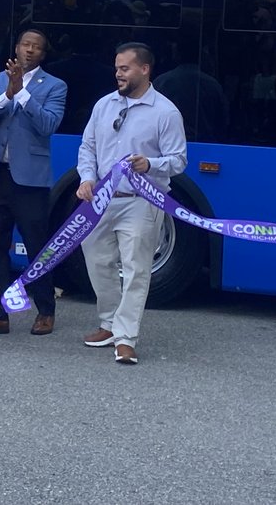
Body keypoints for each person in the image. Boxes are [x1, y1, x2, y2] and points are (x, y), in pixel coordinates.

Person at [76, 42, 188, 365]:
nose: (118, 74)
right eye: (116, 68)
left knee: (137, 268)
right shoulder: (104, 106)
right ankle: (109, 323)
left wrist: (149, 165)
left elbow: (179, 160)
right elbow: (88, 148)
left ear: (144, 69)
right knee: (97, 260)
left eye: (124, 68)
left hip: (142, 201)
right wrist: (86, 179)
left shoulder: (165, 112)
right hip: (102, 200)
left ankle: (126, 338)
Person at [0, 28, 68, 338]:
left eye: (36, 47)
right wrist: (8, 93)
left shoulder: (55, 85)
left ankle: (45, 309)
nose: (29, 50)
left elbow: (48, 124)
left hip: (30, 181)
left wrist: (23, 93)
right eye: (25, 44)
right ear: (16, 47)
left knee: (37, 246)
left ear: (42, 53)